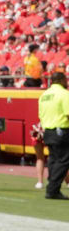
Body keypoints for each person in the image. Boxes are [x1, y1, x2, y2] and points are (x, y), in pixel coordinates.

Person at [37, 70, 69, 200]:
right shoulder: (64, 94)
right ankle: (53, 189)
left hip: (48, 131)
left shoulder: (44, 95)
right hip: (61, 129)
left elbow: (40, 114)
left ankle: (52, 186)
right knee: (63, 160)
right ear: (61, 80)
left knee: (53, 160)